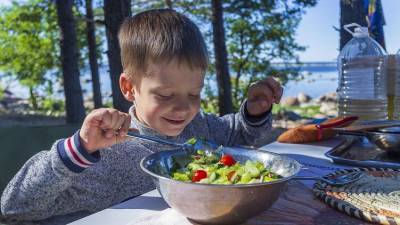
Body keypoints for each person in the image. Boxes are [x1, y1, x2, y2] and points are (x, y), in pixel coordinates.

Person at [0, 9, 282, 225]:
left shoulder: (199, 127)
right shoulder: (104, 153)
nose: (183, 109)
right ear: (128, 88)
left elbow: (239, 135)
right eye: (165, 95)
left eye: (194, 94)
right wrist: (79, 149)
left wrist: (253, 113)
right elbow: (14, 207)